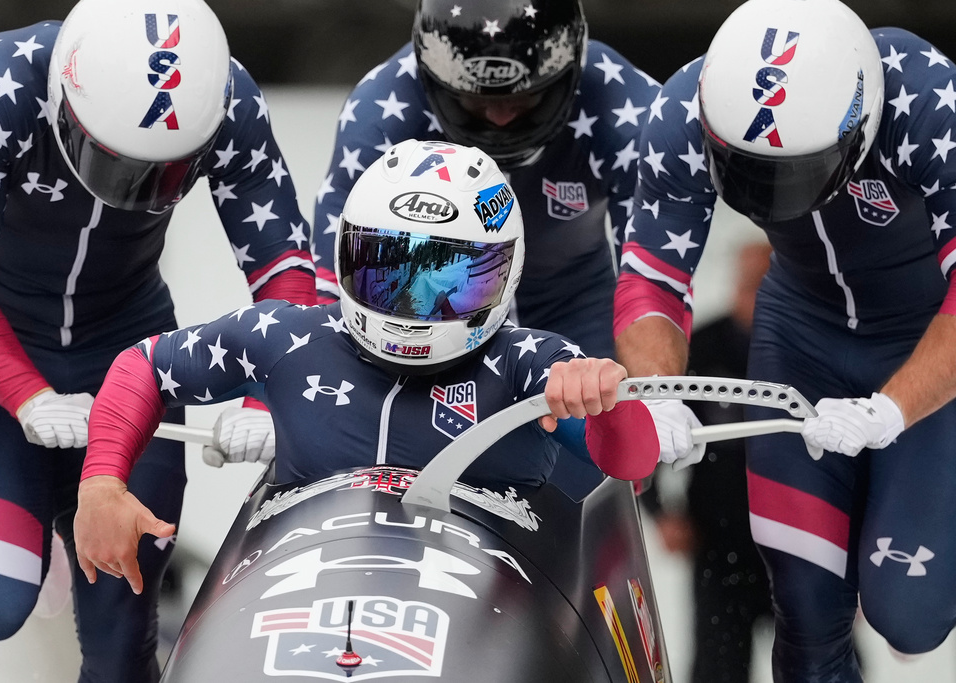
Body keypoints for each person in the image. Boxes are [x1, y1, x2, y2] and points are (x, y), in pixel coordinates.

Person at [72, 139, 688, 594]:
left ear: (504, 275)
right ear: (346, 255)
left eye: (447, 278)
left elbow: (626, 462)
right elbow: (144, 366)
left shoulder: (530, 362)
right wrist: (101, 483)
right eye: (388, 268)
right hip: (303, 596)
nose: (413, 302)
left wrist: (605, 400)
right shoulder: (288, 336)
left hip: (484, 604)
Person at [0, 0, 315, 679]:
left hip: (130, 348)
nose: (129, 192)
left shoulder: (231, 100)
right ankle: (34, 512)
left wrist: (267, 397)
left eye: (159, 174)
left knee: (119, 639)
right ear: (62, 103)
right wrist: (25, 395)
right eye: (113, 163)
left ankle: (58, 510)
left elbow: (284, 265)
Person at [614, 0, 956, 679]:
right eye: (748, 171)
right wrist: (659, 394)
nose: (774, 196)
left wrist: (893, 407)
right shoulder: (684, 107)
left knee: (910, 620)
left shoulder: (930, 99)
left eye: (796, 172)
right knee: (804, 606)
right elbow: (650, 278)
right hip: (801, 335)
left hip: (926, 339)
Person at [307, 0, 660, 498]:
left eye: (522, 99)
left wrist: (652, 395)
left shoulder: (627, 106)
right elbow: (340, 270)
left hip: (571, 303)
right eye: (474, 101)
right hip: (437, 304)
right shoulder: (381, 110)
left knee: (590, 479)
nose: (497, 117)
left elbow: (653, 268)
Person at [639, 241, 773, 683]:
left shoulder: (808, 358)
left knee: (818, 664)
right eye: (750, 283)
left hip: (794, 544)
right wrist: (661, 513)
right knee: (717, 669)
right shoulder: (704, 350)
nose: (754, 293)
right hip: (719, 542)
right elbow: (651, 433)